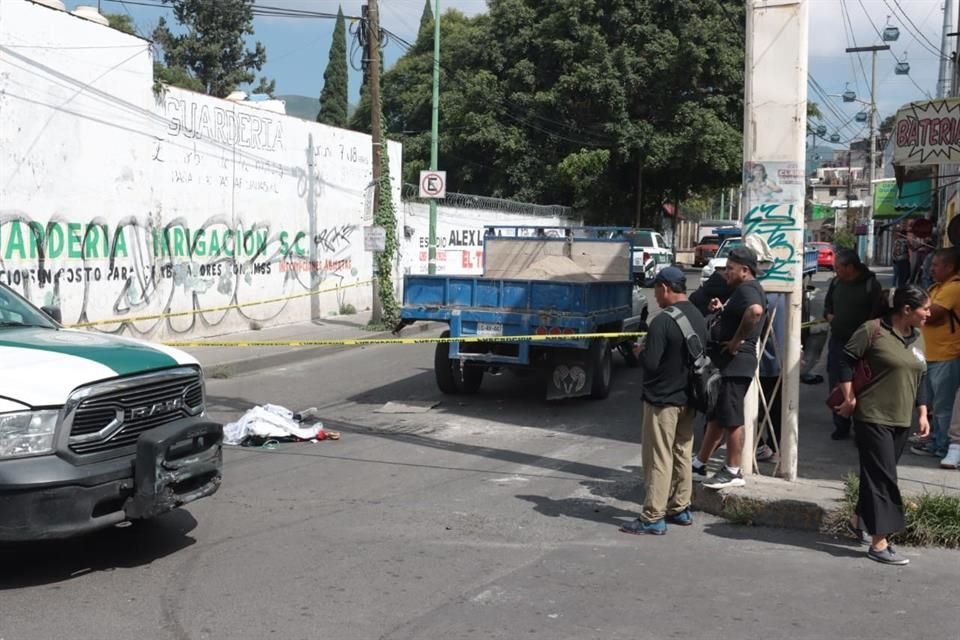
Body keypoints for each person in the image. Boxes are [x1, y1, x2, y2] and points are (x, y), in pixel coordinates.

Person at [834, 285, 930, 566]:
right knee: (884, 478)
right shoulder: (872, 330)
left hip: (902, 419)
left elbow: (921, 378)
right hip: (872, 415)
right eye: (925, 308)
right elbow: (844, 362)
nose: (929, 313)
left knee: (877, 474)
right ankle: (879, 542)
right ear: (907, 310)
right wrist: (850, 398)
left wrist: (922, 413)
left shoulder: (917, 338)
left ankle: (857, 520)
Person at [620, 267, 708, 535]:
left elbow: (651, 364)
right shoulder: (697, 315)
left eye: (656, 289)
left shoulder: (661, 322)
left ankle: (652, 517)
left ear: (665, 288)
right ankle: (680, 508)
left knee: (659, 457)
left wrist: (638, 351)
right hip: (689, 399)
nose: (655, 295)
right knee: (682, 453)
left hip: (662, 401)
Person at [692, 246, 767, 489]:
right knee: (717, 414)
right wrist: (723, 311)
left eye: (730, 269)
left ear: (745, 271)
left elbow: (755, 312)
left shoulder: (748, 289)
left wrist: (735, 342)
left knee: (731, 416)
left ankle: (733, 470)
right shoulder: (742, 290)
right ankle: (700, 462)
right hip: (728, 364)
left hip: (737, 363)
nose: (726, 273)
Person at [824, 248, 884, 440]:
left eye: (838, 268)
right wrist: (829, 316)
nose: (836, 272)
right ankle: (840, 423)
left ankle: (862, 428)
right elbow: (827, 306)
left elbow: (879, 314)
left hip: (862, 345)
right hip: (838, 341)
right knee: (837, 383)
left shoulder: (870, 285)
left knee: (862, 384)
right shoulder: (836, 283)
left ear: (851, 267)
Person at [911, 249, 960, 460]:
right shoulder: (937, 287)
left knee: (943, 405)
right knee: (930, 404)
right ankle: (933, 440)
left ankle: (943, 445)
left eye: (935, 265)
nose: (931, 269)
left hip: (947, 355)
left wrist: (917, 311)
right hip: (930, 354)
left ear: (949, 267)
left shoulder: (954, 287)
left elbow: (931, 315)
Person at [756, 293, 785, 464]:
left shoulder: (760, 296)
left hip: (762, 364)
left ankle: (761, 447)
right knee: (776, 409)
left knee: (753, 410)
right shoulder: (785, 297)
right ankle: (774, 448)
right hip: (781, 361)